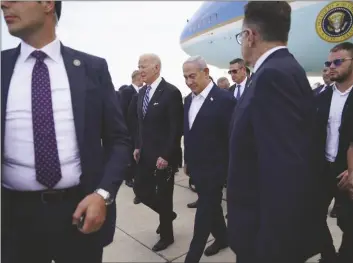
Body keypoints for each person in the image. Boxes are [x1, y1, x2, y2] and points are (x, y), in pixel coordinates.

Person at [1, 2, 131, 262]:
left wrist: (103, 194)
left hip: (79, 212)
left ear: (48, 4)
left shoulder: (92, 69)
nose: (4, 3)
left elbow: (119, 140)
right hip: (14, 220)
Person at [227, 2, 323, 262]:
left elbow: (283, 170)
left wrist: (270, 249)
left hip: (264, 239)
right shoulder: (282, 69)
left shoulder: (272, 76)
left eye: (241, 36)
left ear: (250, 36)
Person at [183, 55, 235, 262]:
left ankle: (192, 257)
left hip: (216, 169)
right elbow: (188, 133)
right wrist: (187, 161)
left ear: (206, 73)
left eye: (192, 76)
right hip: (197, 167)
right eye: (185, 77)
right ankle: (223, 238)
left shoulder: (225, 100)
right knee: (212, 207)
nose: (189, 81)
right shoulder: (188, 99)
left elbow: (232, 138)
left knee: (204, 210)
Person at [133, 53, 184, 251]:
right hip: (145, 154)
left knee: (164, 196)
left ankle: (167, 235)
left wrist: (166, 155)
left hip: (164, 157)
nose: (140, 69)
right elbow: (140, 124)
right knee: (140, 191)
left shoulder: (170, 92)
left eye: (144, 65)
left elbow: (175, 128)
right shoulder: (141, 94)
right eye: (138, 66)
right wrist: (138, 145)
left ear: (156, 68)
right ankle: (167, 214)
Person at [321, 42, 353, 263]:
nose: (331, 67)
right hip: (323, 169)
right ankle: (329, 256)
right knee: (313, 217)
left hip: (347, 171)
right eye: (328, 63)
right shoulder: (321, 97)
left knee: (348, 223)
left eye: (338, 62)